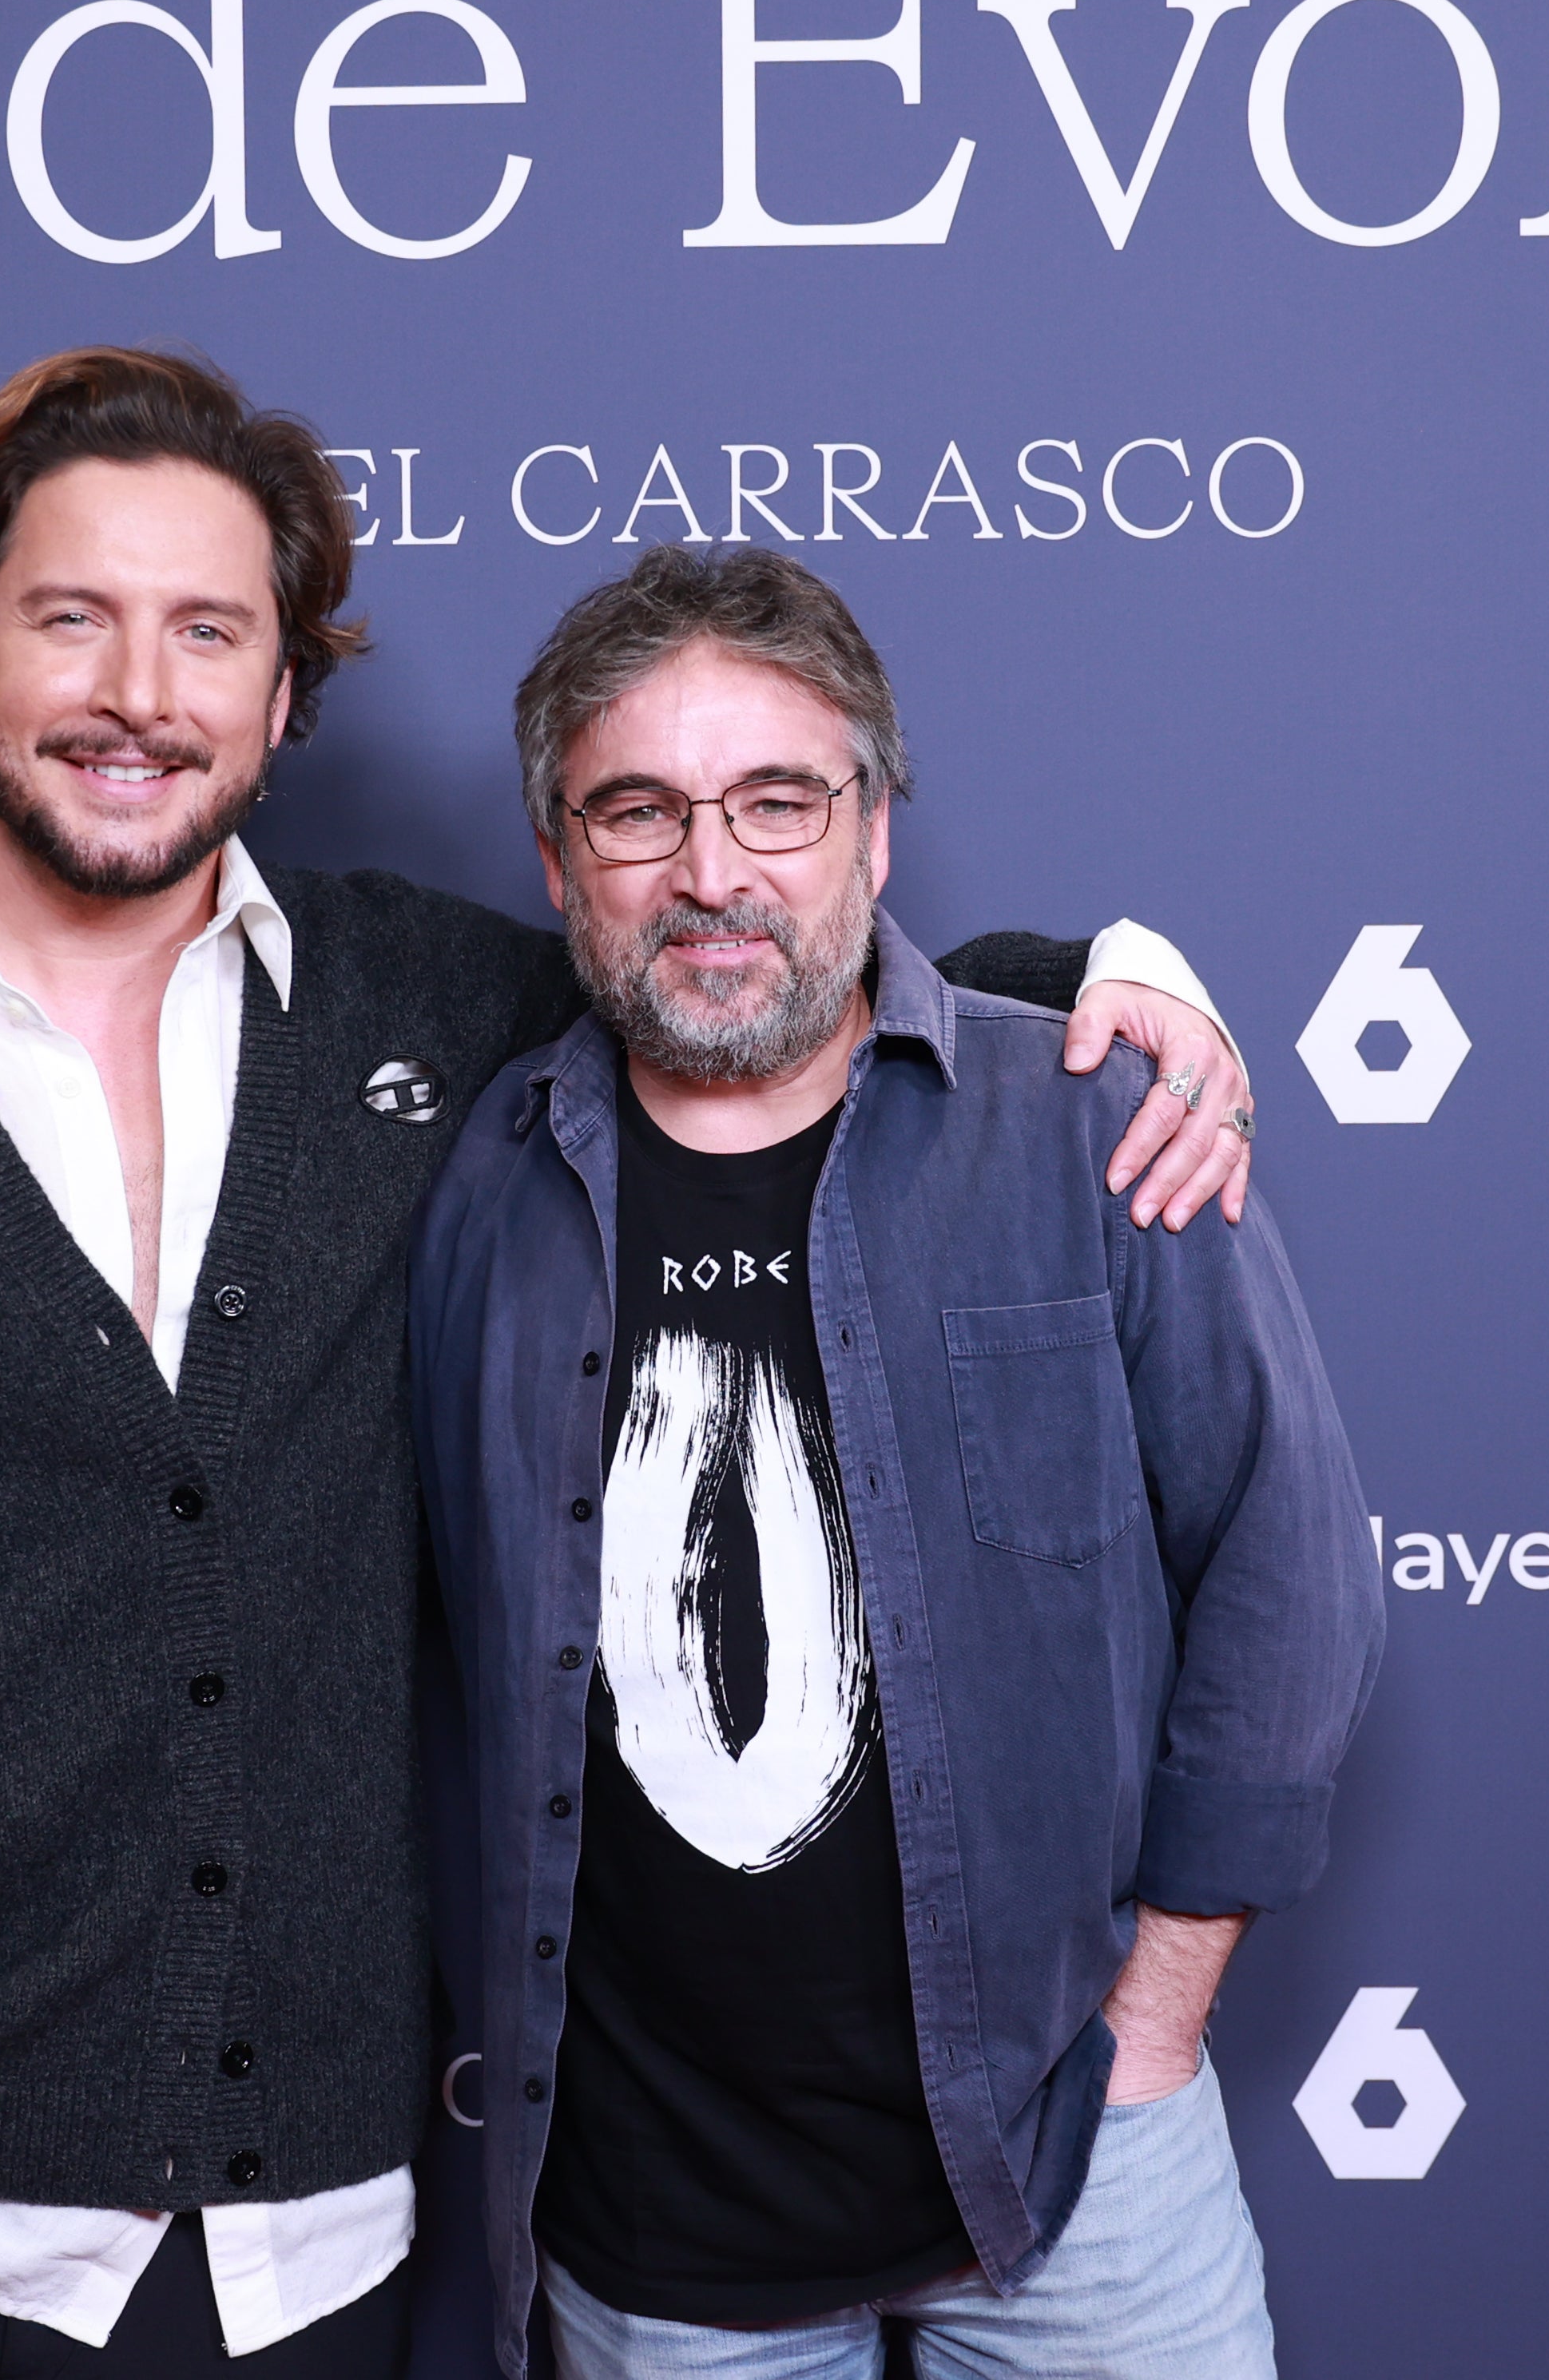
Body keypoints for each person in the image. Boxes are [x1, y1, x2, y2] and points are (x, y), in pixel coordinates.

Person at [0, 349, 1259, 2378]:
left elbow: (747, 978)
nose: (140, 690)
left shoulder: (431, 1015)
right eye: (71, 616)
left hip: (306, 2264)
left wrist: (1092, 985)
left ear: (284, 695)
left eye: (207, 630)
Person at [407, 546, 1381, 2380]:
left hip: (1076, 2161)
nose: (713, 870)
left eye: (778, 800)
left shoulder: (1095, 1122)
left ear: (873, 832)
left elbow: (1289, 1575)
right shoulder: (469, 1185)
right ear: (556, 865)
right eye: (638, 812)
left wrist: (1153, 2027)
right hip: (658, 2221)